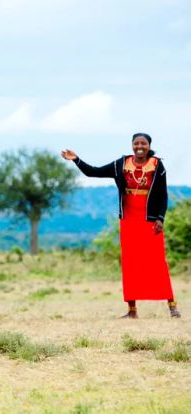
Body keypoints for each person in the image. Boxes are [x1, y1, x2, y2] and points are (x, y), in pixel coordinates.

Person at [62, 133, 180, 318]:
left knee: (157, 261)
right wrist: (76, 159)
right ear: (132, 145)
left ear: (149, 146)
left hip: (149, 219)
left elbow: (163, 195)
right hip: (129, 219)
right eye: (136, 143)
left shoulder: (157, 165)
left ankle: (172, 306)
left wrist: (160, 218)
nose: (139, 146)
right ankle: (132, 310)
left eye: (143, 143)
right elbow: (94, 171)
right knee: (130, 262)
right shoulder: (121, 164)